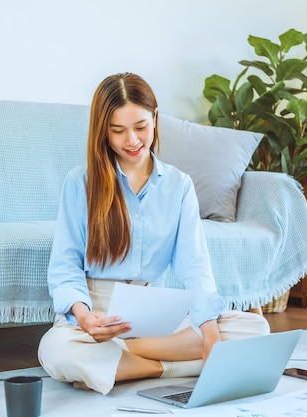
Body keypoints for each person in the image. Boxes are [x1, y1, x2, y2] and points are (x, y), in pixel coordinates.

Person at [37, 72, 270, 395]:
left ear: (155, 118)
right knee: (57, 349)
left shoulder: (179, 185)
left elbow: (195, 265)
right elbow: (65, 266)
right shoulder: (81, 183)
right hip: (97, 318)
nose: (132, 141)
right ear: (103, 130)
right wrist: (85, 316)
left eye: (141, 127)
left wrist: (211, 336)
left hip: (154, 319)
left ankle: (123, 363)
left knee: (255, 328)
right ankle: (161, 367)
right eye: (118, 131)